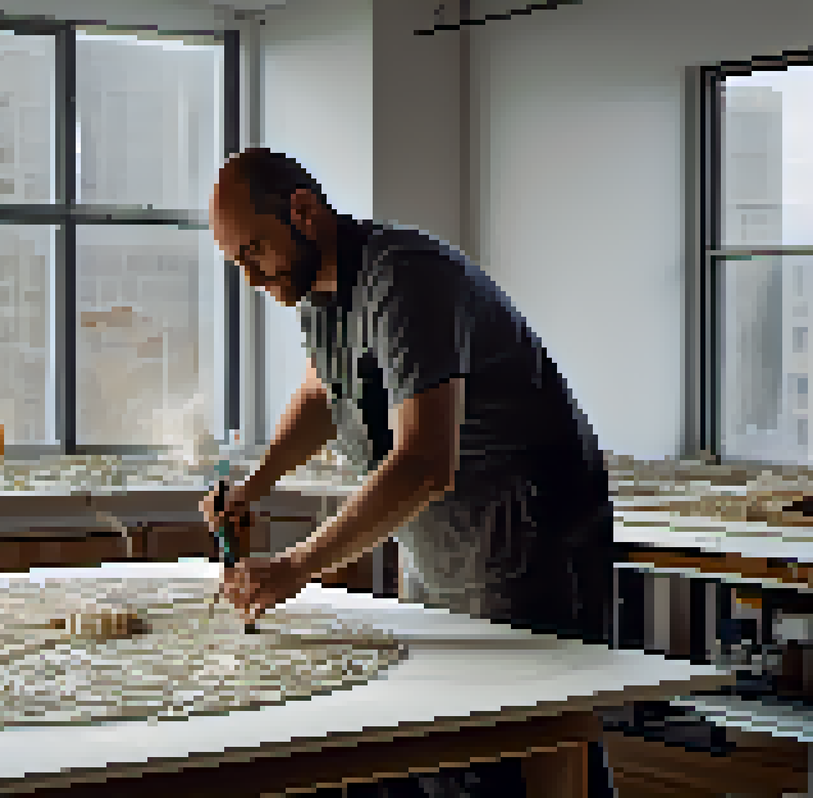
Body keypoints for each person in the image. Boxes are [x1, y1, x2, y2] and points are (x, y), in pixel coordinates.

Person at [201, 147, 619, 798]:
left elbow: (425, 463)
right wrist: (256, 484)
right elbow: (323, 394)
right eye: (237, 263)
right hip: (439, 542)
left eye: (254, 251)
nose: (252, 278)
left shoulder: (405, 278)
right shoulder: (315, 292)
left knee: (522, 750)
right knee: (441, 746)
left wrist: (294, 568)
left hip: (523, 537)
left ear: (303, 212)